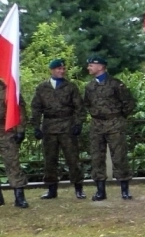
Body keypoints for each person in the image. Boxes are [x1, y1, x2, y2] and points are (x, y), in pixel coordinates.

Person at [31, 58, 87, 199]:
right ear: (52, 70)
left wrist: (78, 123)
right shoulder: (42, 88)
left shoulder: (71, 87)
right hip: (49, 127)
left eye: (63, 69)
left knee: (73, 159)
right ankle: (51, 189)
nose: (61, 71)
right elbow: (36, 108)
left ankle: (78, 188)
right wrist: (36, 127)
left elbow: (79, 107)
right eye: (58, 69)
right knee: (50, 159)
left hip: (67, 126)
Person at [83, 56, 136, 201]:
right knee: (96, 157)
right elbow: (87, 104)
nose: (88, 68)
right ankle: (100, 191)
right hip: (96, 125)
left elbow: (129, 103)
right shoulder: (89, 87)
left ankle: (125, 190)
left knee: (119, 156)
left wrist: (119, 117)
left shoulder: (116, 84)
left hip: (114, 124)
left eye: (91, 65)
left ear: (100, 67)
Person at [0, 78, 29, 208]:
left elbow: (20, 110)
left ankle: (19, 196)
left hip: (6, 130)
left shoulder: (9, 89)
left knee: (13, 163)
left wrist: (21, 130)